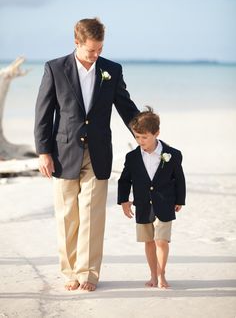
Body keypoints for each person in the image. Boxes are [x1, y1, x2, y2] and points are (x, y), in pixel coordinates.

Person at [34, 18, 139, 291]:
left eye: (100, 49)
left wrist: (144, 133)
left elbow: (126, 107)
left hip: (99, 151)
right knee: (68, 214)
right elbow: (43, 114)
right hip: (63, 152)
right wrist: (43, 151)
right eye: (91, 50)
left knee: (92, 214)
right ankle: (70, 271)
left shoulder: (111, 71)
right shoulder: (55, 68)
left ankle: (89, 274)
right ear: (77, 43)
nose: (96, 55)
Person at [118, 107, 186, 288]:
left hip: (165, 203)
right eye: (137, 137)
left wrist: (180, 200)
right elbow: (124, 180)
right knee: (149, 241)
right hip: (142, 205)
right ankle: (153, 276)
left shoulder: (173, 154)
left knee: (161, 241)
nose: (140, 141)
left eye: (144, 137)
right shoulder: (132, 157)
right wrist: (124, 201)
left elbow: (179, 179)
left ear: (156, 133)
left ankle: (162, 274)